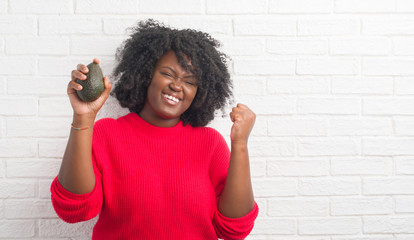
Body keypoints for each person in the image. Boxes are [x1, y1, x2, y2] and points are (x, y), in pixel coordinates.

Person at [50, 19, 259, 239]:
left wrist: (240, 145)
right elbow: (74, 210)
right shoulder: (106, 134)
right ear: (146, 74)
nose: (177, 86)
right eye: (168, 74)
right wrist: (83, 118)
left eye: (189, 81)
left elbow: (234, 230)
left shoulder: (211, 143)